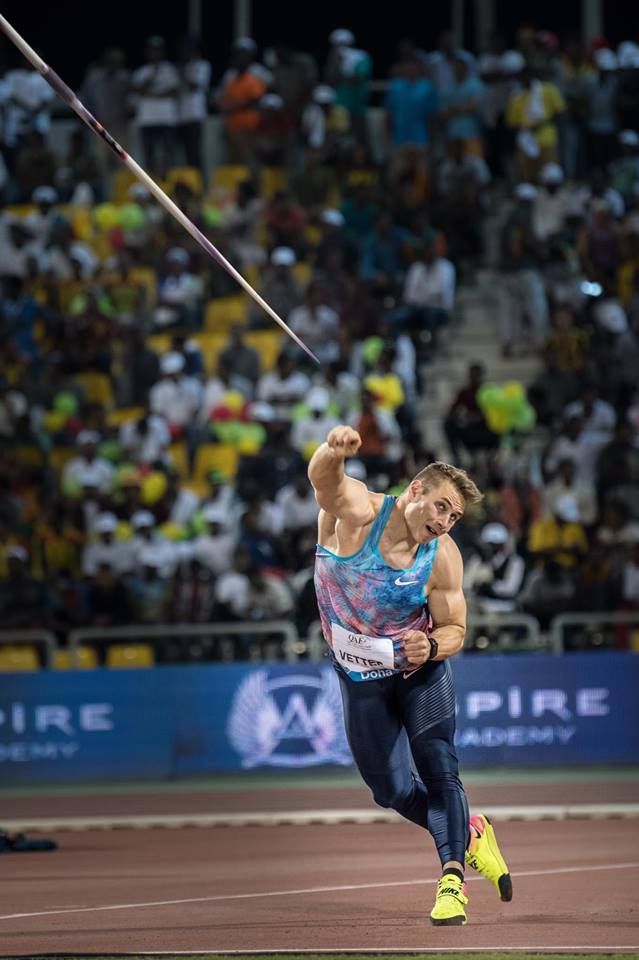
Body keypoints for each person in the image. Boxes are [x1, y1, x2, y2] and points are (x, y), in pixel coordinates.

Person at [308, 425, 512, 926]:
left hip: (420, 671)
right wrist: (331, 452)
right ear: (415, 490)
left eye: (455, 516)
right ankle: (472, 830)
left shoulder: (442, 556)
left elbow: (457, 628)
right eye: (441, 506)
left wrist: (433, 644)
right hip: (359, 677)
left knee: (440, 765)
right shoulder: (360, 516)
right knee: (392, 792)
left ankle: (451, 885)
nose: (445, 522)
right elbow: (325, 483)